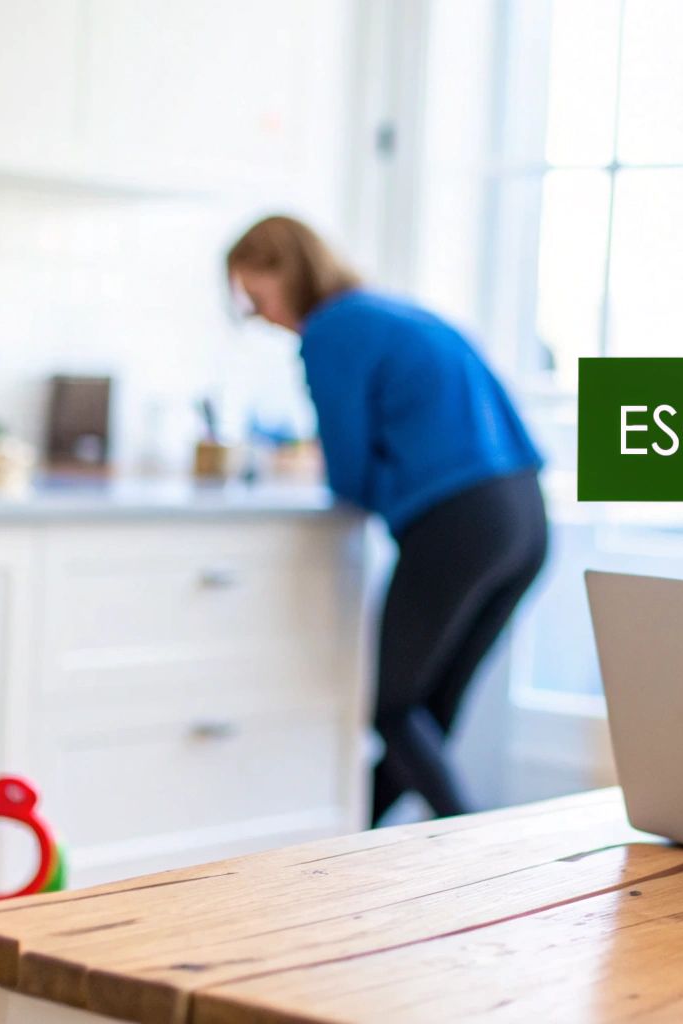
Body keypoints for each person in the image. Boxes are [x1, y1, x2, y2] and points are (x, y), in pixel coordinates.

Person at [227, 215, 548, 825]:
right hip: (526, 518)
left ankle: (471, 843)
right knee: (430, 707)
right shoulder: (392, 312)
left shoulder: (329, 332)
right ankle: (357, 838)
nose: (262, 318)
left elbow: (348, 479)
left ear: (285, 273)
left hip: (460, 523)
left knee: (391, 704)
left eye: (258, 299)